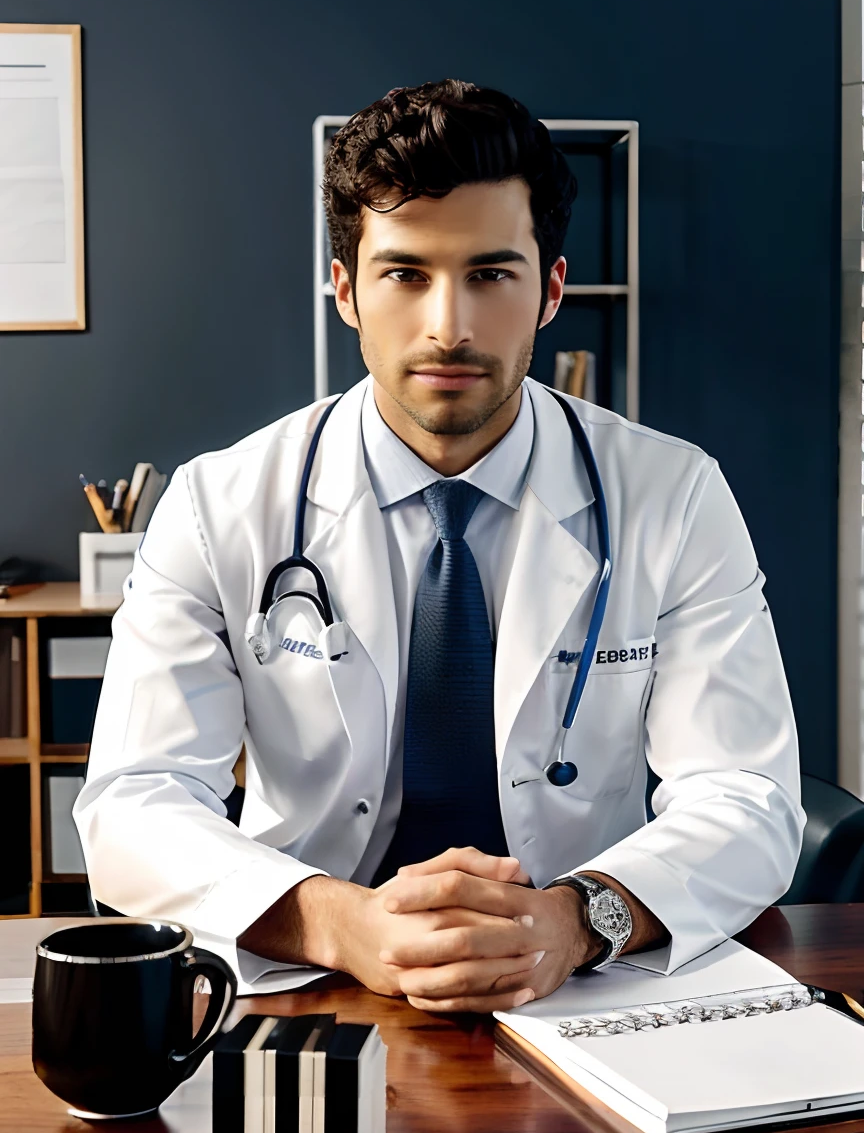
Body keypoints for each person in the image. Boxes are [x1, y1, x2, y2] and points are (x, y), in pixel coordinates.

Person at [75, 79, 804, 1012]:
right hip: (307, 975)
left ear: (551, 291)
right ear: (346, 291)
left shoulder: (672, 494)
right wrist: (346, 925)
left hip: (583, 988)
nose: (449, 325)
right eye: (406, 273)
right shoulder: (221, 505)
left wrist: (582, 919)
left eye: (492, 275)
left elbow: (748, 797)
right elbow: (134, 803)